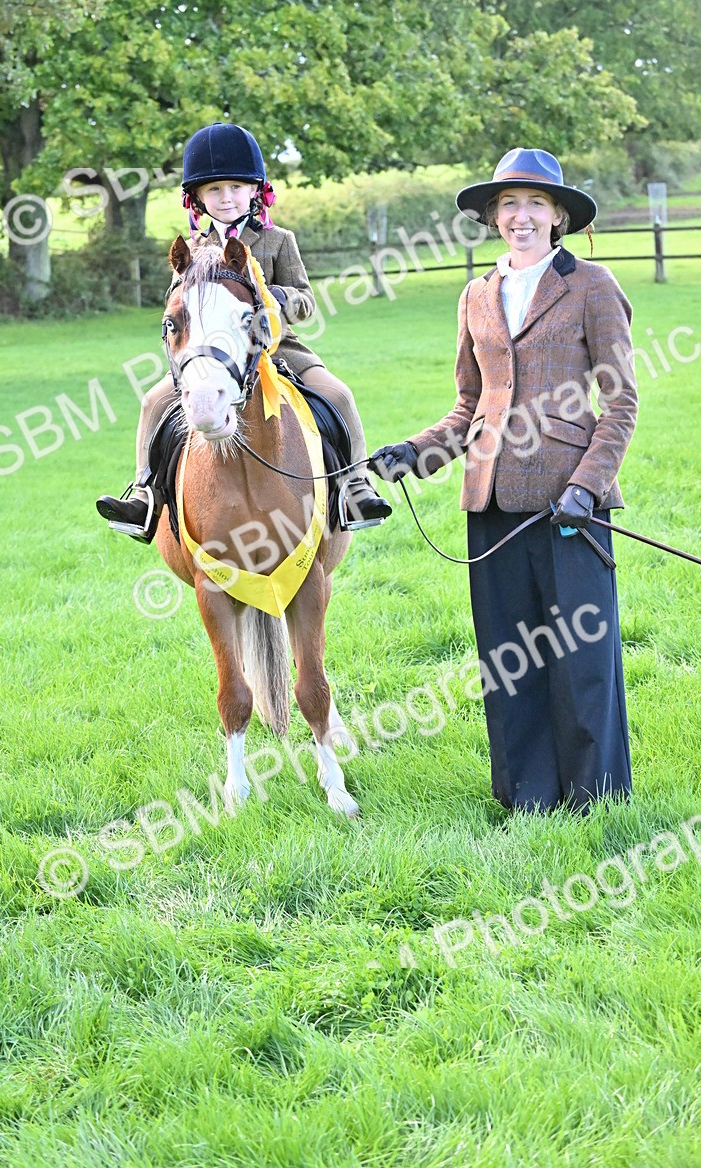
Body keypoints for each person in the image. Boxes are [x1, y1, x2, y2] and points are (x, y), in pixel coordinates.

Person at [370, 148, 638, 814]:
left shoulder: (593, 287)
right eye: (510, 205)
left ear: (558, 217)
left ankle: (595, 799)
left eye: (536, 205)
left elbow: (621, 401)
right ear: (494, 216)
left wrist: (587, 486)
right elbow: (469, 406)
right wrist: (415, 452)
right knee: (509, 661)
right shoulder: (476, 295)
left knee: (580, 661)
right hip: (490, 500)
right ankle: (529, 798)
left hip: (568, 504)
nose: (522, 216)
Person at [97, 121, 391, 540]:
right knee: (151, 402)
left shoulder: (277, 240)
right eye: (215, 190)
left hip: (276, 350)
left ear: (255, 190)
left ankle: (354, 486)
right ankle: (145, 495)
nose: (227, 197)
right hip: (209, 355)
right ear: (197, 197)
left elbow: (306, 300)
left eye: (236, 187)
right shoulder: (194, 250)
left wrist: (275, 298)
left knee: (339, 394)